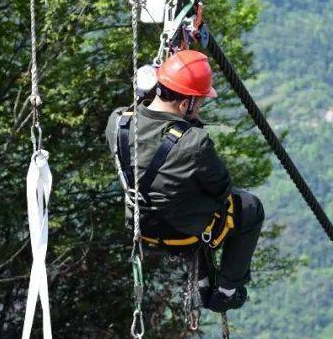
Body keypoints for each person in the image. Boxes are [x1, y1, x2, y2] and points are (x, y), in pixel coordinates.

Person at [106, 49, 263, 312]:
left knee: (184, 195)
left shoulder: (117, 123)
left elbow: (138, 115)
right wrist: (192, 128)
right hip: (182, 232)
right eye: (199, 101)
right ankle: (226, 291)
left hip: (139, 226)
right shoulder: (194, 142)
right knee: (249, 207)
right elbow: (222, 188)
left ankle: (201, 280)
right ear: (184, 104)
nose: (200, 106)